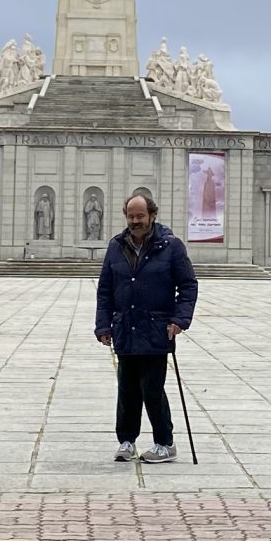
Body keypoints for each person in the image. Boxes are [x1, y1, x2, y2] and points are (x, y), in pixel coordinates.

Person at [94, 191, 196, 462]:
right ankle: (127, 441)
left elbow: (188, 286)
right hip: (125, 328)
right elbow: (105, 290)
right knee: (126, 390)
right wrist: (103, 325)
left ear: (152, 215)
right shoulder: (117, 246)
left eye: (140, 215)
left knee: (152, 388)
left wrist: (178, 320)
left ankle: (165, 442)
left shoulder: (171, 246)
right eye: (131, 216)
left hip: (156, 328)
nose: (135, 221)